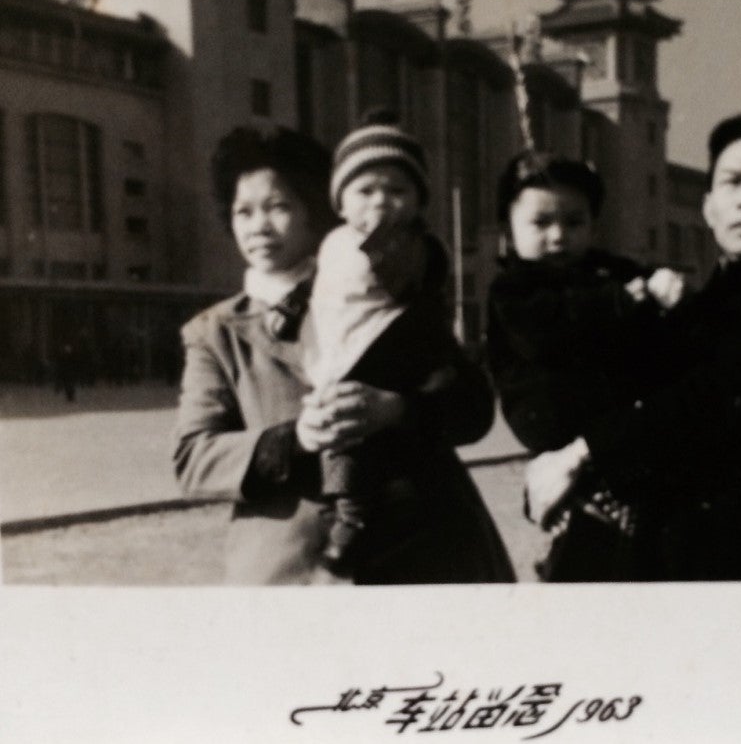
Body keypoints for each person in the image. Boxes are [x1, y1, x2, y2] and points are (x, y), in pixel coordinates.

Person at [524, 109, 741, 581]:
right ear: (708, 207)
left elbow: (716, 395)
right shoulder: (683, 309)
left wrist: (582, 455)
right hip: (616, 558)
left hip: (723, 564)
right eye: (731, 181)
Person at [171, 125, 514, 585]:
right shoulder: (214, 333)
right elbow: (194, 458)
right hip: (294, 571)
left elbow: (473, 409)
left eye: (278, 206)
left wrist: (398, 409)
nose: (259, 227)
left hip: (427, 552)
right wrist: (295, 439)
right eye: (243, 211)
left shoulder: (380, 284)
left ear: (315, 210)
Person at [486, 150, 685, 580]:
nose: (558, 237)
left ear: (593, 225)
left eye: (573, 223)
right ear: (509, 228)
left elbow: (642, 279)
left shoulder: (604, 271)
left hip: (610, 431)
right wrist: (622, 300)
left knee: (632, 537)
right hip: (555, 423)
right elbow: (546, 331)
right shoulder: (514, 289)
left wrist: (660, 283)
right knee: (585, 542)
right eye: (541, 223)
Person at [309, 111, 456, 574]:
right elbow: (315, 289)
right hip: (338, 347)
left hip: (389, 347)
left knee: (359, 436)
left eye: (397, 191)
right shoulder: (333, 243)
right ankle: (343, 507)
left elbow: (411, 285)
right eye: (366, 190)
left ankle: (352, 517)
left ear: (418, 202)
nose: (381, 202)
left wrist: (386, 242)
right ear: (340, 202)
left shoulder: (417, 245)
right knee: (338, 434)